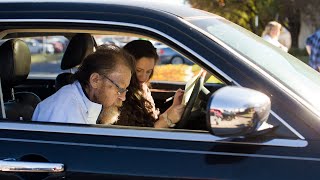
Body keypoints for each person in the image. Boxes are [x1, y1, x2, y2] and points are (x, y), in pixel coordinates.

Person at [32, 45, 135, 125]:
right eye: (120, 89)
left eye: (125, 90)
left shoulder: (83, 101)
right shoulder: (65, 113)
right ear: (95, 80)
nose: (123, 97)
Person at [100, 40, 185, 128]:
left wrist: (174, 107)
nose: (143, 77)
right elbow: (136, 137)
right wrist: (168, 120)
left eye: (149, 71)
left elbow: (152, 120)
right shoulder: (119, 96)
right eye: (138, 71)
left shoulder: (142, 87)